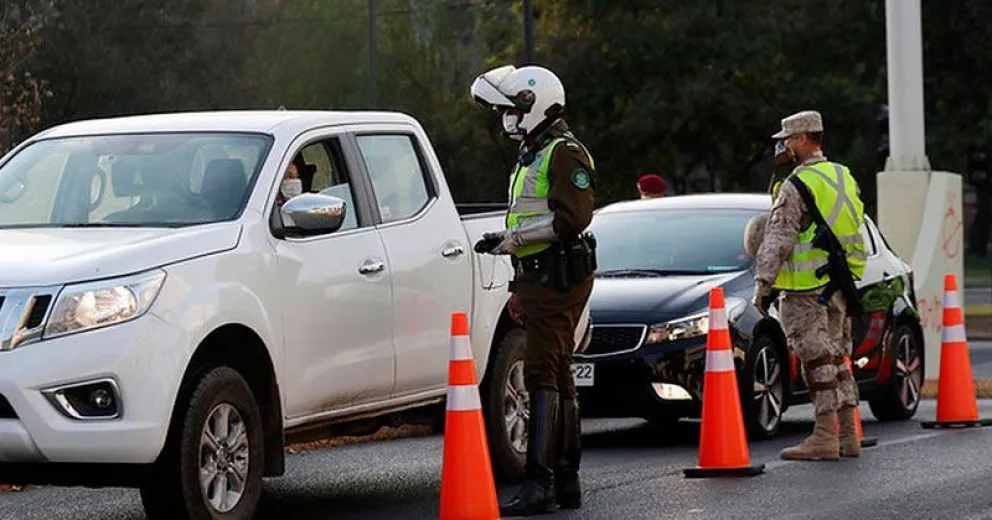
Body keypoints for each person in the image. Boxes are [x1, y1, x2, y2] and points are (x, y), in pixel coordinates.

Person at [470, 64, 597, 516]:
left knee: (542, 370)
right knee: (558, 373)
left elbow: (573, 219)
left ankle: (539, 483)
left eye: (512, 108)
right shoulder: (535, 150)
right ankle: (566, 481)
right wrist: (515, 266)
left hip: (557, 275)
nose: (506, 117)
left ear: (534, 104)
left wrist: (513, 241)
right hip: (537, 274)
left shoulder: (563, 152)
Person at [751, 110, 867, 461]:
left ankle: (823, 437)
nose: (783, 146)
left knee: (816, 361)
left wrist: (763, 283)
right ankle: (848, 435)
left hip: (806, 287)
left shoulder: (797, 184)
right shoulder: (842, 175)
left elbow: (778, 238)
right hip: (840, 285)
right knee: (836, 357)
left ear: (803, 139)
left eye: (787, 140)